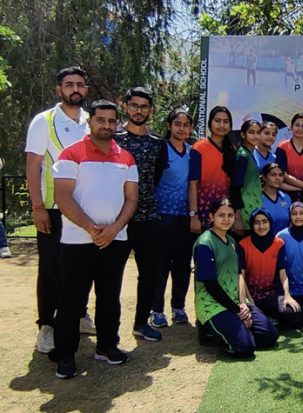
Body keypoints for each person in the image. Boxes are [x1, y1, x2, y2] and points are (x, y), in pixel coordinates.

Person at [50, 100, 138, 379]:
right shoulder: (70, 154)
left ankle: (107, 346)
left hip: (116, 239)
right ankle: (65, 355)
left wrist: (113, 230)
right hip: (77, 241)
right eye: (101, 120)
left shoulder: (126, 157)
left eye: (112, 121)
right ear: (91, 122)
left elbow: (131, 198)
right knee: (71, 301)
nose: (107, 126)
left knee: (110, 298)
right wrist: (91, 228)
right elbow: (62, 197)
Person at [25, 66, 95, 354]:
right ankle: (47, 326)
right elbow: (33, 166)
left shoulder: (92, 122)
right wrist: (38, 206)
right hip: (54, 209)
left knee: (83, 266)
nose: (74, 88)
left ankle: (79, 314)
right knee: (52, 268)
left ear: (85, 90)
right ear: (59, 90)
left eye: (79, 84)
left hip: (86, 209)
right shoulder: (44, 121)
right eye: (69, 84)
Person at [193, 198, 279, 357]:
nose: (226, 219)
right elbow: (210, 284)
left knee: (270, 336)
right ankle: (209, 330)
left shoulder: (232, 241)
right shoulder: (205, 243)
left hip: (237, 302)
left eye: (230, 215)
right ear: (212, 217)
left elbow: (239, 274)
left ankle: (235, 330)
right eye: (221, 215)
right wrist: (237, 310)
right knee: (245, 348)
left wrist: (242, 303)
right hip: (213, 304)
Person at [115, 87, 166, 342]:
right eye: (134, 105)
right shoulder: (113, 138)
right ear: (125, 106)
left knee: (149, 274)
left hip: (148, 218)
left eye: (144, 107)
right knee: (111, 275)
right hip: (116, 220)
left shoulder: (157, 142)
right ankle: (108, 329)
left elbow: (155, 176)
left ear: (151, 110)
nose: (139, 111)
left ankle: (140, 323)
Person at [150, 108, 195, 328]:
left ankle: (178, 307)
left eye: (186, 125)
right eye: (178, 124)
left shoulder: (191, 152)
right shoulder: (160, 148)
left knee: (183, 264)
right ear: (169, 125)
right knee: (160, 264)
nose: (182, 128)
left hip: (185, 216)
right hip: (162, 215)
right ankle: (156, 310)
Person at [189, 106, 236, 232]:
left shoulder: (232, 150)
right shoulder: (199, 148)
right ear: (210, 123)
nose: (221, 125)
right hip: (203, 211)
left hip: (226, 213)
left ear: (230, 126)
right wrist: (194, 216)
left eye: (226, 122)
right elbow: (192, 184)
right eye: (217, 121)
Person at [238, 209, 286, 320]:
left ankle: (267, 315)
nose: (261, 226)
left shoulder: (279, 243)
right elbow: (241, 277)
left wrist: (287, 295)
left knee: (293, 315)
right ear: (251, 224)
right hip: (251, 295)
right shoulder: (243, 244)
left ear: (270, 223)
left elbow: (283, 273)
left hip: (272, 294)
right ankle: (263, 315)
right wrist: (250, 301)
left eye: (264, 221)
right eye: (256, 222)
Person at [230, 119, 263, 235]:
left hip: (252, 210)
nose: (255, 136)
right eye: (251, 132)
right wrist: (238, 217)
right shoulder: (242, 156)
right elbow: (235, 187)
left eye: (258, 132)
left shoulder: (251, 153)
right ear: (243, 135)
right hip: (244, 213)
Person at [260, 163, 291, 235]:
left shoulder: (286, 198)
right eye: (273, 175)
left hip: (282, 242)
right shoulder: (257, 198)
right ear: (264, 177)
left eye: (280, 175)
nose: (278, 178)